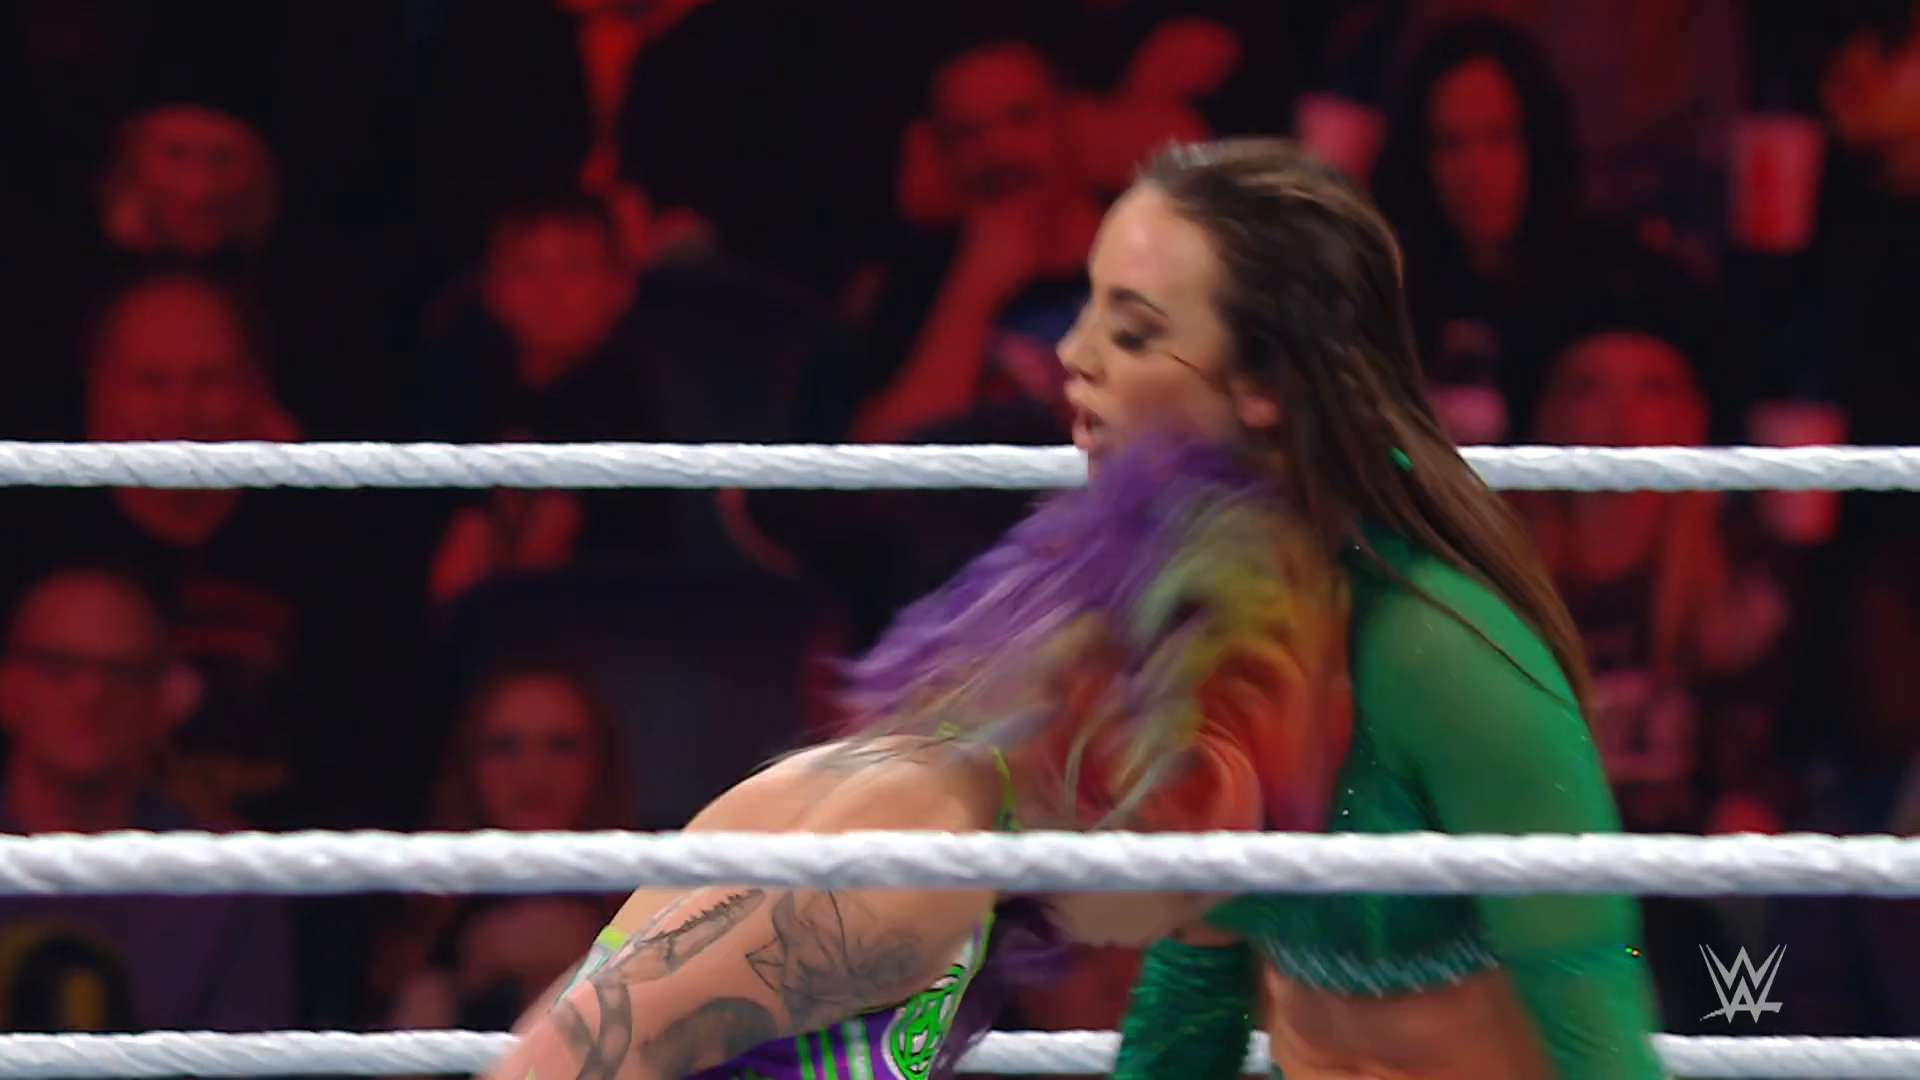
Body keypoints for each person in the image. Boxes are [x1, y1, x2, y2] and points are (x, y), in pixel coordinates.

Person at [487, 289, 1360, 1075]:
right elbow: (555, 1067)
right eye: (1201, 797)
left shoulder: (957, 849)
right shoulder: (914, 848)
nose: (1203, 876)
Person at [1085, 141, 1663, 1079]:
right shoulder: (1201, 637)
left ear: (1265, 384)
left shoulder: (1440, 649)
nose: (1072, 359)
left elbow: (1596, 994)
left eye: (1133, 332)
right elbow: (1197, 980)